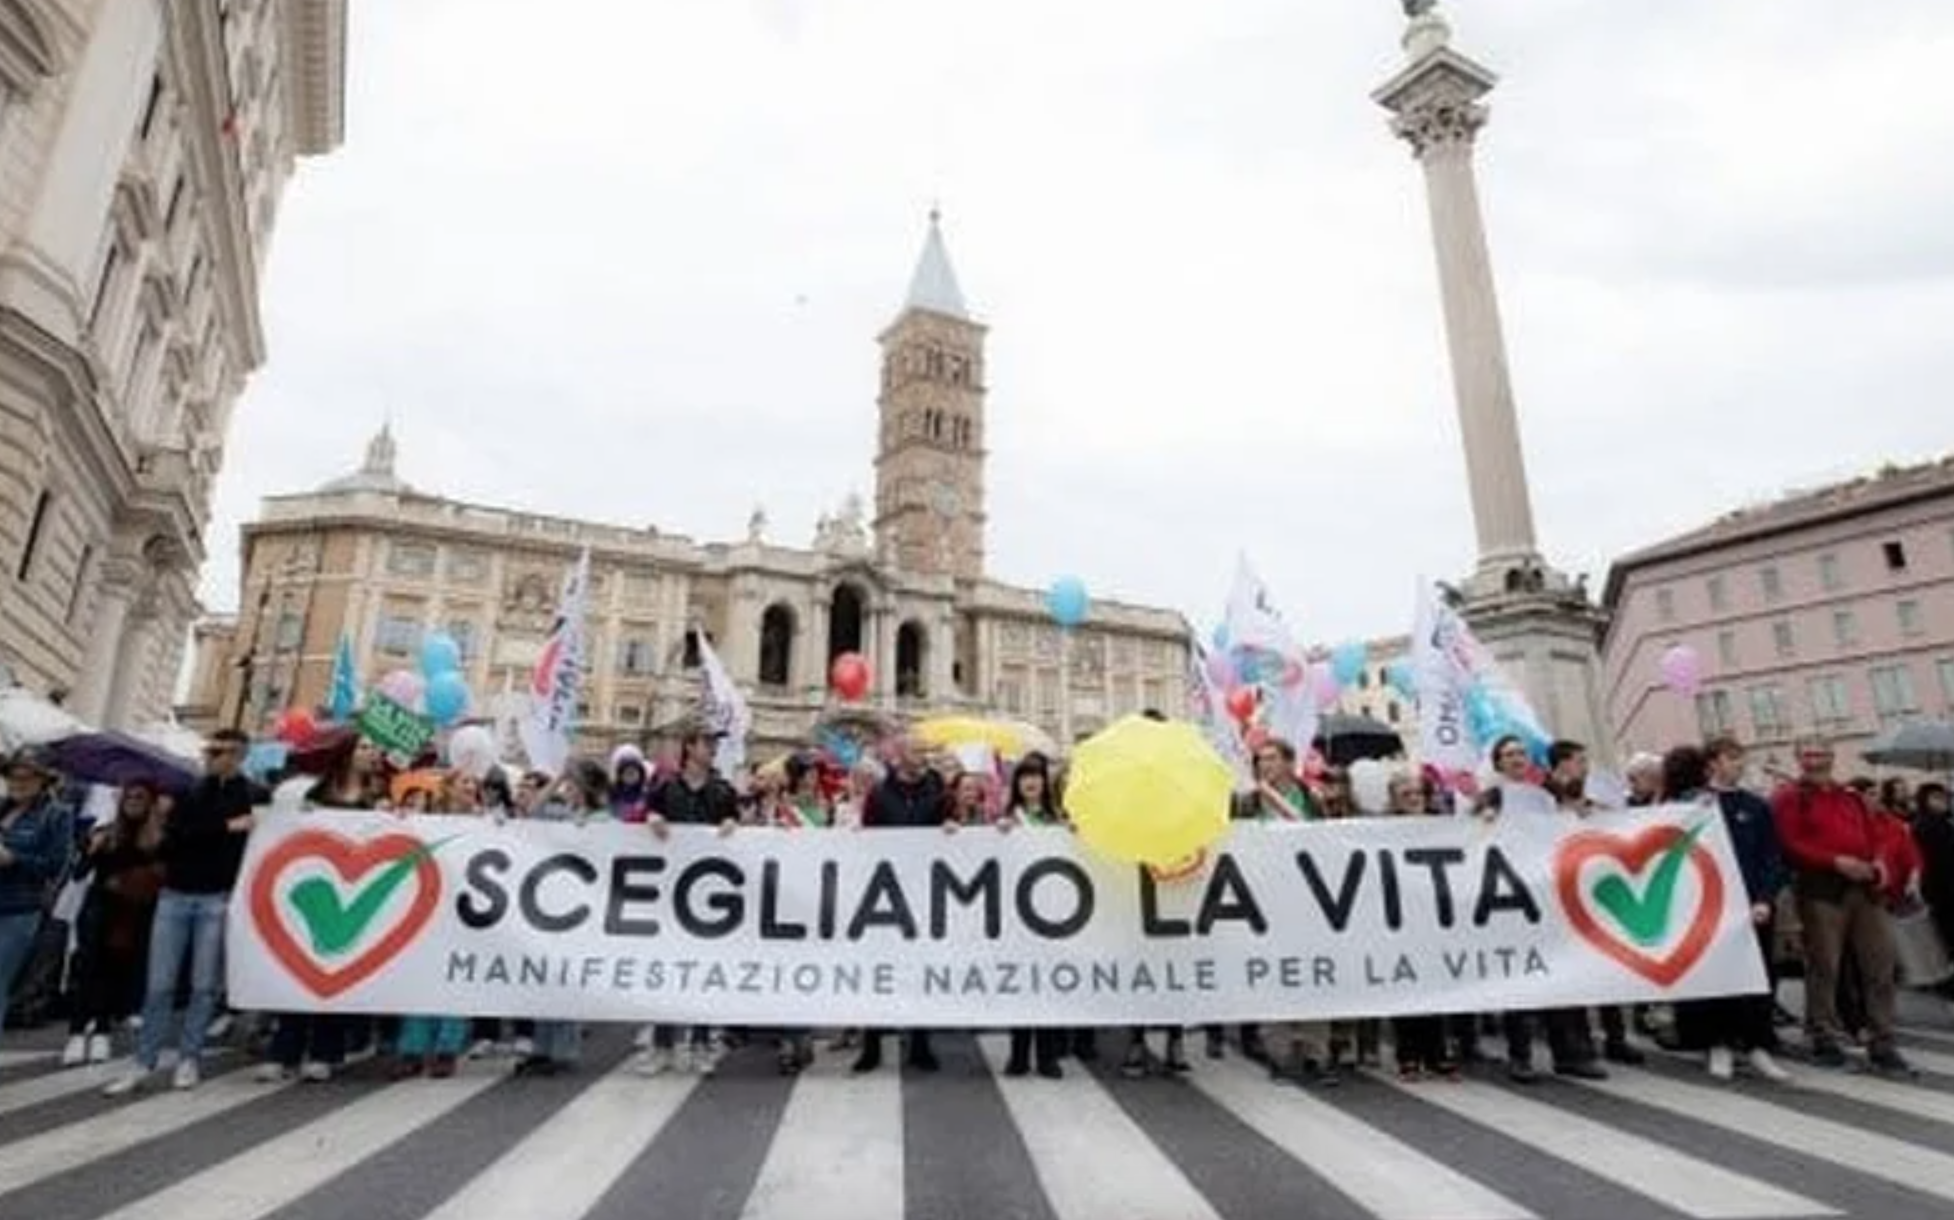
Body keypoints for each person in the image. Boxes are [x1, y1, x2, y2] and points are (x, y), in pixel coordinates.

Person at [106, 728, 260, 1095]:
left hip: (217, 896)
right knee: (160, 984)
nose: (213, 757)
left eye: (222, 751)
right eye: (211, 750)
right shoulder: (189, 790)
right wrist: (224, 827)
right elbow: (176, 839)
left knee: (204, 985)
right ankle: (144, 1060)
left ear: (239, 755)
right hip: (175, 894)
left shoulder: (251, 795)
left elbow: (269, 822)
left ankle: (189, 1056)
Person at [1771, 740, 1912, 1074]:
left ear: (1831, 758)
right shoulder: (1788, 797)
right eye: (1806, 754)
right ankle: (1822, 1035)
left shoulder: (1850, 796)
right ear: (1798, 759)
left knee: (1880, 965)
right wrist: (1834, 861)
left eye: (1819, 753)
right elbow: (1789, 844)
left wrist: (1879, 864)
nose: (1813, 760)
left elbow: (1875, 835)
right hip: (1821, 890)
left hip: (1864, 889)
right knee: (1825, 967)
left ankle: (1882, 1039)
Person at [1666, 738, 1792, 1082]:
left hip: (1753, 909)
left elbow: (1772, 858)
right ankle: (1716, 1043)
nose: (1739, 764)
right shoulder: (1690, 804)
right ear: (1712, 764)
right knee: (1714, 976)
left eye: (1741, 758)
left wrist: (1765, 898)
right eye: (1732, 758)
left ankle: (1757, 1045)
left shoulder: (1756, 806)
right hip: (1708, 907)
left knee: (1759, 975)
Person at [640, 727, 739, 1075]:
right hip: (669, 895)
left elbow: (738, 823)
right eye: (707, 742)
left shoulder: (723, 791)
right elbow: (645, 816)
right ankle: (663, 1045)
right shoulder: (665, 788)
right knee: (669, 970)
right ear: (689, 747)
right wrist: (651, 818)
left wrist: (731, 823)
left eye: (714, 744)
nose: (713, 749)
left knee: (702, 972)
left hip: (710, 899)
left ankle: (699, 1044)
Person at [853, 734, 952, 1075]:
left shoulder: (938, 793)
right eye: (917, 750)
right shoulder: (879, 794)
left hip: (923, 894)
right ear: (900, 755)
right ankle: (871, 1045)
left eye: (925, 750)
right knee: (877, 971)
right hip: (883, 896)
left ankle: (921, 1043)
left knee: (919, 969)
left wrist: (952, 829)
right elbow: (866, 840)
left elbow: (946, 832)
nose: (924, 754)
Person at [62, 782, 164, 1065]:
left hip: (134, 915)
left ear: (151, 802)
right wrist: (90, 848)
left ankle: (102, 1031)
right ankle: (76, 1032)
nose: (132, 801)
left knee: (115, 972)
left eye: (140, 797)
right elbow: (80, 873)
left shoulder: (158, 839)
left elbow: (163, 875)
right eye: (128, 796)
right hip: (99, 910)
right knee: (88, 968)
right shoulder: (105, 832)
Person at [0, 745, 74, 1042]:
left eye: (27, 777)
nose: (18, 782)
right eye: (14, 776)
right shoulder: (3, 807)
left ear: (43, 781)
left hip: (19, 908)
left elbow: (56, 865)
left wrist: (13, 859)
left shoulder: (56, 814)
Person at [998, 756, 1065, 1079]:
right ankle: (1019, 1053)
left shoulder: (1057, 819)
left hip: (1051, 913)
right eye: (1024, 776)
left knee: (1048, 987)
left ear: (1044, 782)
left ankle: (1048, 1055)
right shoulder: (1008, 818)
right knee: (1022, 986)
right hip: (1017, 914)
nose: (1030, 782)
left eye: (1035, 776)